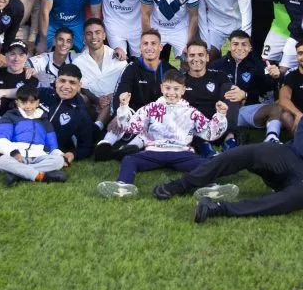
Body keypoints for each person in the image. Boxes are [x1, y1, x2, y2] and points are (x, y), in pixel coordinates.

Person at [151, 77, 303, 223]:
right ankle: (180, 186)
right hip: (289, 157)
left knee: (300, 196)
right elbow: (302, 140)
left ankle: (218, 209)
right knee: (248, 152)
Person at [98, 70, 229, 198]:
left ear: (183, 90)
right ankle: (123, 185)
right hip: (154, 152)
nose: (171, 93)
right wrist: (124, 107)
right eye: (168, 88)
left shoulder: (191, 112)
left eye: (176, 89)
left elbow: (210, 133)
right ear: (161, 88)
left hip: (182, 153)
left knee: (206, 164)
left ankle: (211, 187)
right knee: (129, 159)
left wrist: (220, 115)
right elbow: (131, 127)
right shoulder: (151, 108)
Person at [97, 30, 174, 160]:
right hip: (135, 110)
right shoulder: (132, 68)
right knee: (123, 115)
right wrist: (118, 113)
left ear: (160, 47)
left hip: (156, 115)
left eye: (153, 44)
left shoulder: (169, 71)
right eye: (145, 44)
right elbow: (121, 91)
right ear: (140, 47)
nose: (149, 47)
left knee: (158, 122)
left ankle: (131, 148)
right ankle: (104, 144)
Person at [209, 30, 285, 146]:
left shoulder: (257, 65)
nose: (240, 48)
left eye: (244, 44)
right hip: (223, 111)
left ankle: (271, 138)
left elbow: (266, 90)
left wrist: (275, 77)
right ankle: (229, 139)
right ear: (229, 46)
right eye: (235, 44)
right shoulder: (217, 66)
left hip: (246, 110)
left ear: (250, 47)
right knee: (228, 90)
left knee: (276, 109)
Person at [73, 18, 129, 133]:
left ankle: (96, 129)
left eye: (97, 33)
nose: (93, 37)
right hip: (93, 107)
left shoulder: (118, 57)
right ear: (84, 38)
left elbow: (127, 82)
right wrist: (97, 100)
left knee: (113, 99)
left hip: (117, 106)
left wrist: (112, 95)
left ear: (104, 35)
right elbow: (83, 87)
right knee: (80, 98)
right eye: (89, 33)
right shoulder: (78, 62)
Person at [180, 40, 234, 157]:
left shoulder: (219, 76)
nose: (196, 59)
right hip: (195, 127)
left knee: (231, 94)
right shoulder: (180, 81)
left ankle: (230, 142)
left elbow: (233, 100)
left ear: (207, 57)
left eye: (200, 55)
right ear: (187, 58)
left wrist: (242, 94)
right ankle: (205, 148)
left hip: (219, 122)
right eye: (192, 55)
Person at [0, 40, 37, 116]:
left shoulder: (31, 78)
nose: (16, 59)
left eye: (21, 55)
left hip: (15, 120)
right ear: (6, 56)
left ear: (26, 58)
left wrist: (1, 92)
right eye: (13, 54)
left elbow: (26, 93)